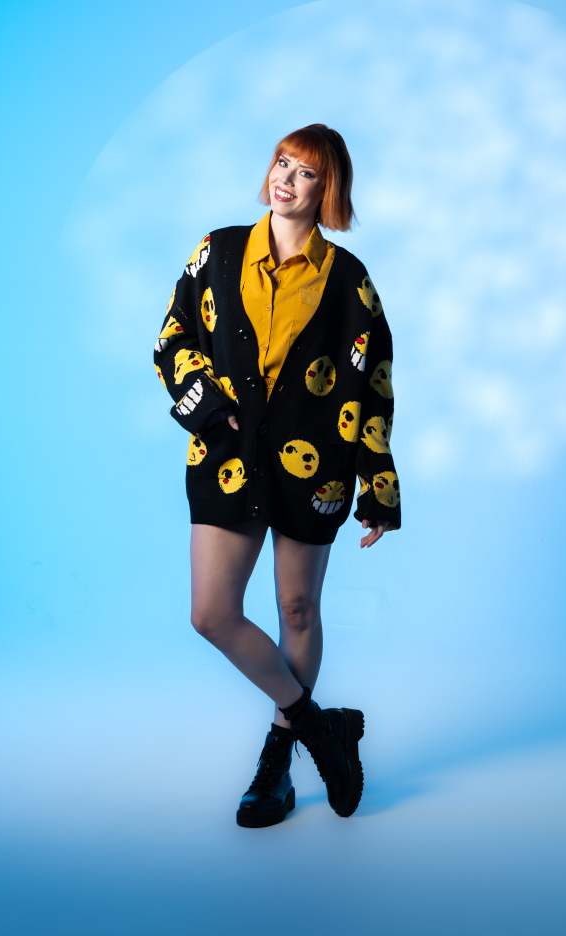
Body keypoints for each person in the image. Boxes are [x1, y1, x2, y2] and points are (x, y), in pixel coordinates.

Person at [153, 123, 401, 827]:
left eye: (306, 172)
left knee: (297, 610)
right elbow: (172, 337)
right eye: (282, 163)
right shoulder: (219, 250)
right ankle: (323, 730)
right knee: (211, 614)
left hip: (315, 467)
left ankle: (278, 761)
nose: (286, 180)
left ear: (328, 190)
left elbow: (374, 383)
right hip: (228, 460)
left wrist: (378, 484)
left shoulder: (348, 280)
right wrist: (207, 406)